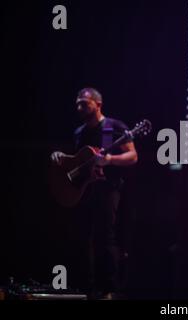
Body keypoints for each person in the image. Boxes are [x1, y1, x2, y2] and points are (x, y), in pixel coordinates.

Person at [51, 88, 138, 299]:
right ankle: (86, 288)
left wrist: (109, 160)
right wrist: (62, 157)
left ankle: (108, 289)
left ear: (98, 104)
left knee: (105, 237)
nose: (80, 107)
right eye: (78, 103)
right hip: (83, 190)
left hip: (107, 188)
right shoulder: (79, 131)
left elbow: (133, 156)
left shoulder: (113, 127)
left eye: (85, 103)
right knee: (83, 237)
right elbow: (79, 159)